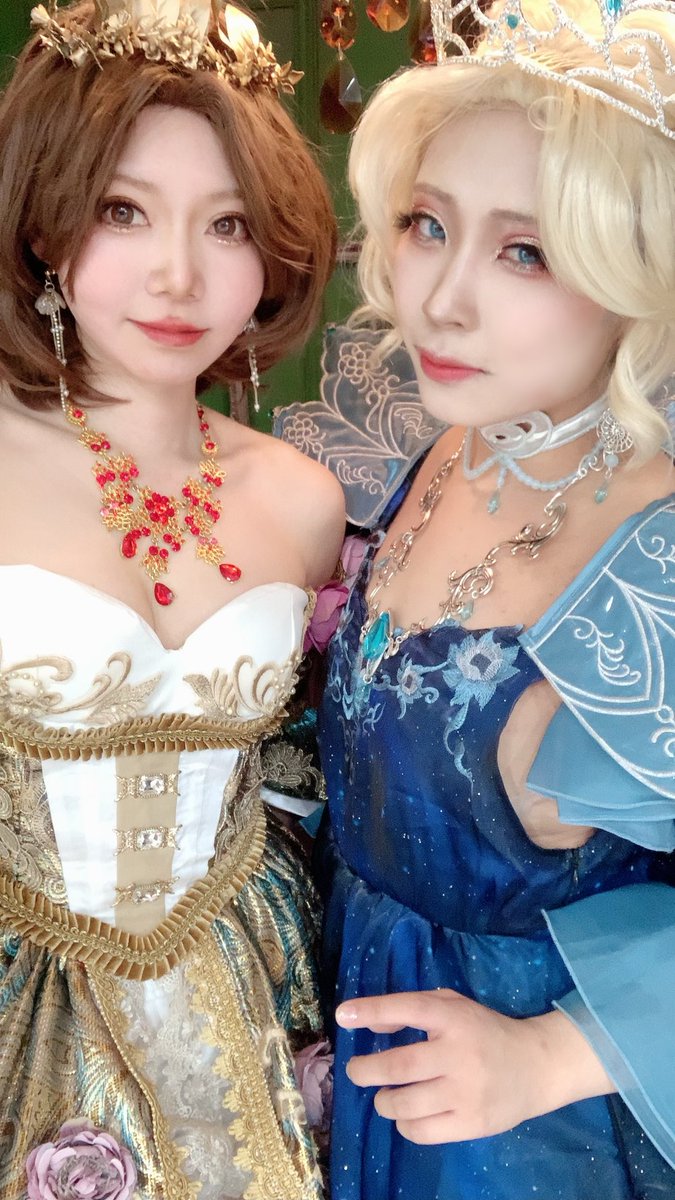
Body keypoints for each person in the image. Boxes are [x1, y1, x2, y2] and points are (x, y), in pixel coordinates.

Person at [315, 1, 675, 1196]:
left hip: (535, 1146)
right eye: (429, 226)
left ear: (642, 272)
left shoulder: (657, 551)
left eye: (527, 252)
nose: (441, 300)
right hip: (358, 1066)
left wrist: (557, 1056)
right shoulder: (462, 444)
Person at [0, 3, 345, 1198]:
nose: (180, 276)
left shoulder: (303, 500)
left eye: (229, 223)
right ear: (43, 221)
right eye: (122, 210)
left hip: (253, 985)